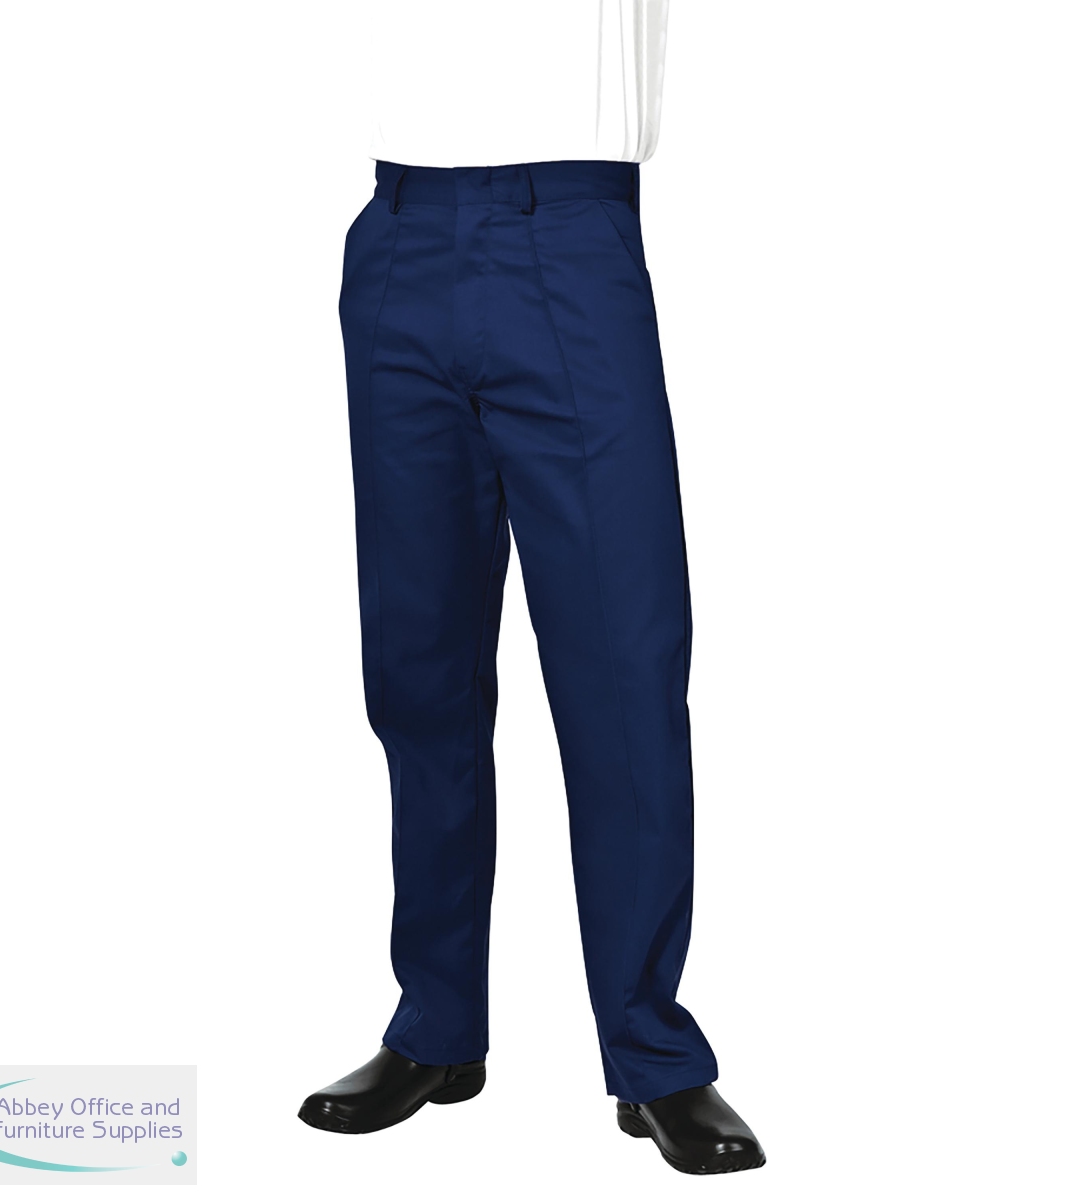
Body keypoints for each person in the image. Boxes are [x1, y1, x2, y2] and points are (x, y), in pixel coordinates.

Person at [298, 1, 765, 1176]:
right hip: (398, 230)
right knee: (420, 671)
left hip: (569, 231)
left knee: (622, 671)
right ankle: (437, 1027)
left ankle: (652, 1054)